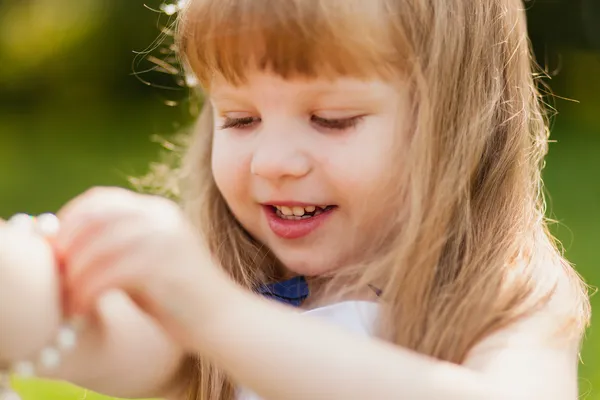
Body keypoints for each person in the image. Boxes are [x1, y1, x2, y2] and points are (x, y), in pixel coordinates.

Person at [0, 0, 591, 399]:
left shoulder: (509, 296)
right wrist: (32, 276)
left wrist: (215, 316)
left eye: (331, 119)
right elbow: (96, 335)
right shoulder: (232, 279)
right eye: (240, 118)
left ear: (459, 123)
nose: (272, 161)